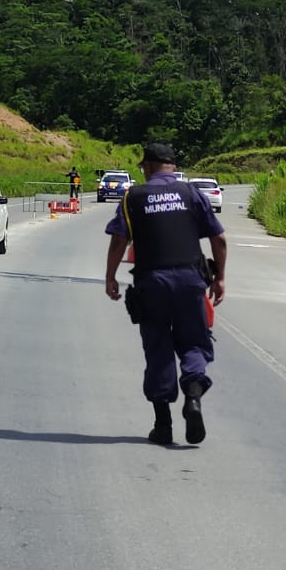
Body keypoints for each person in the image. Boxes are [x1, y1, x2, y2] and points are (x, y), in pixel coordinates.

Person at [104, 143, 227, 446]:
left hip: (152, 282)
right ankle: (194, 398)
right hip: (190, 280)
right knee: (194, 343)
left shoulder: (134, 196)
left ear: (147, 166)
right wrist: (220, 278)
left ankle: (164, 426)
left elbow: (119, 241)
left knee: (158, 349)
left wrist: (110, 277)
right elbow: (219, 237)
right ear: (172, 165)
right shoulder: (190, 193)